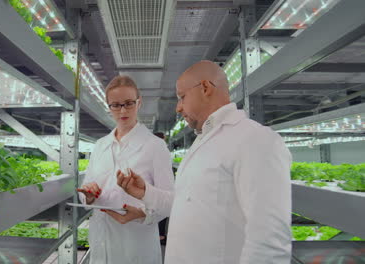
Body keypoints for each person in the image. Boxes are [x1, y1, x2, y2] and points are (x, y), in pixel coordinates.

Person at [105, 61, 292, 263]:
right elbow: (185, 202)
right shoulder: (203, 141)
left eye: (182, 97)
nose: (178, 107)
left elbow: (269, 240)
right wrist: (145, 193)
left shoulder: (254, 139)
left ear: (205, 87)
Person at [77, 75, 174, 264]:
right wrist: (88, 195)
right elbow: (86, 191)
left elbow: (170, 201)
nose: (122, 110)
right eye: (116, 105)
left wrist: (143, 214)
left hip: (136, 245)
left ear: (139, 103)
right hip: (100, 243)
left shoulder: (154, 146)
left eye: (129, 103)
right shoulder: (100, 145)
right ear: (109, 107)